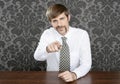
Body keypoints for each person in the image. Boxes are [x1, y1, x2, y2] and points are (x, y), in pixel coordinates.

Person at [34, 4, 92, 82]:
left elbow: (86, 64)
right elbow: (37, 56)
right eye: (55, 21)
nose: (59, 24)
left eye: (62, 19)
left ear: (68, 18)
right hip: (53, 78)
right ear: (50, 22)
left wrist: (74, 75)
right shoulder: (47, 34)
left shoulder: (82, 34)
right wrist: (47, 49)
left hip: (75, 78)